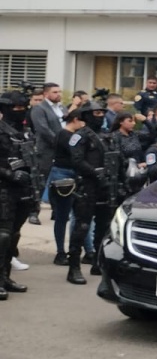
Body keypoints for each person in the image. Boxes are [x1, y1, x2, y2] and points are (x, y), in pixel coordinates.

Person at [65, 101, 112, 285]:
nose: (100, 116)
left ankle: (98, 263)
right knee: (82, 226)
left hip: (105, 186)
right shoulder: (80, 136)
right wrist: (95, 173)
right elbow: (76, 160)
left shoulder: (106, 135)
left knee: (103, 226)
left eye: (102, 113)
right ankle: (74, 267)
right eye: (96, 113)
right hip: (87, 185)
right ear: (86, 115)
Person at [0, 91, 36, 300]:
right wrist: (11, 174)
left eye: (23, 108)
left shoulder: (25, 132)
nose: (20, 111)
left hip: (24, 189)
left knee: (14, 235)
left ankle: (6, 277)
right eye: (16, 108)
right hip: (4, 188)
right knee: (3, 235)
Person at [45, 108, 87, 266]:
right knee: (62, 216)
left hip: (72, 173)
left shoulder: (70, 134)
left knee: (78, 215)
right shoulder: (64, 135)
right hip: (63, 174)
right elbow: (75, 153)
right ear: (75, 119)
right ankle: (60, 252)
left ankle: (82, 250)